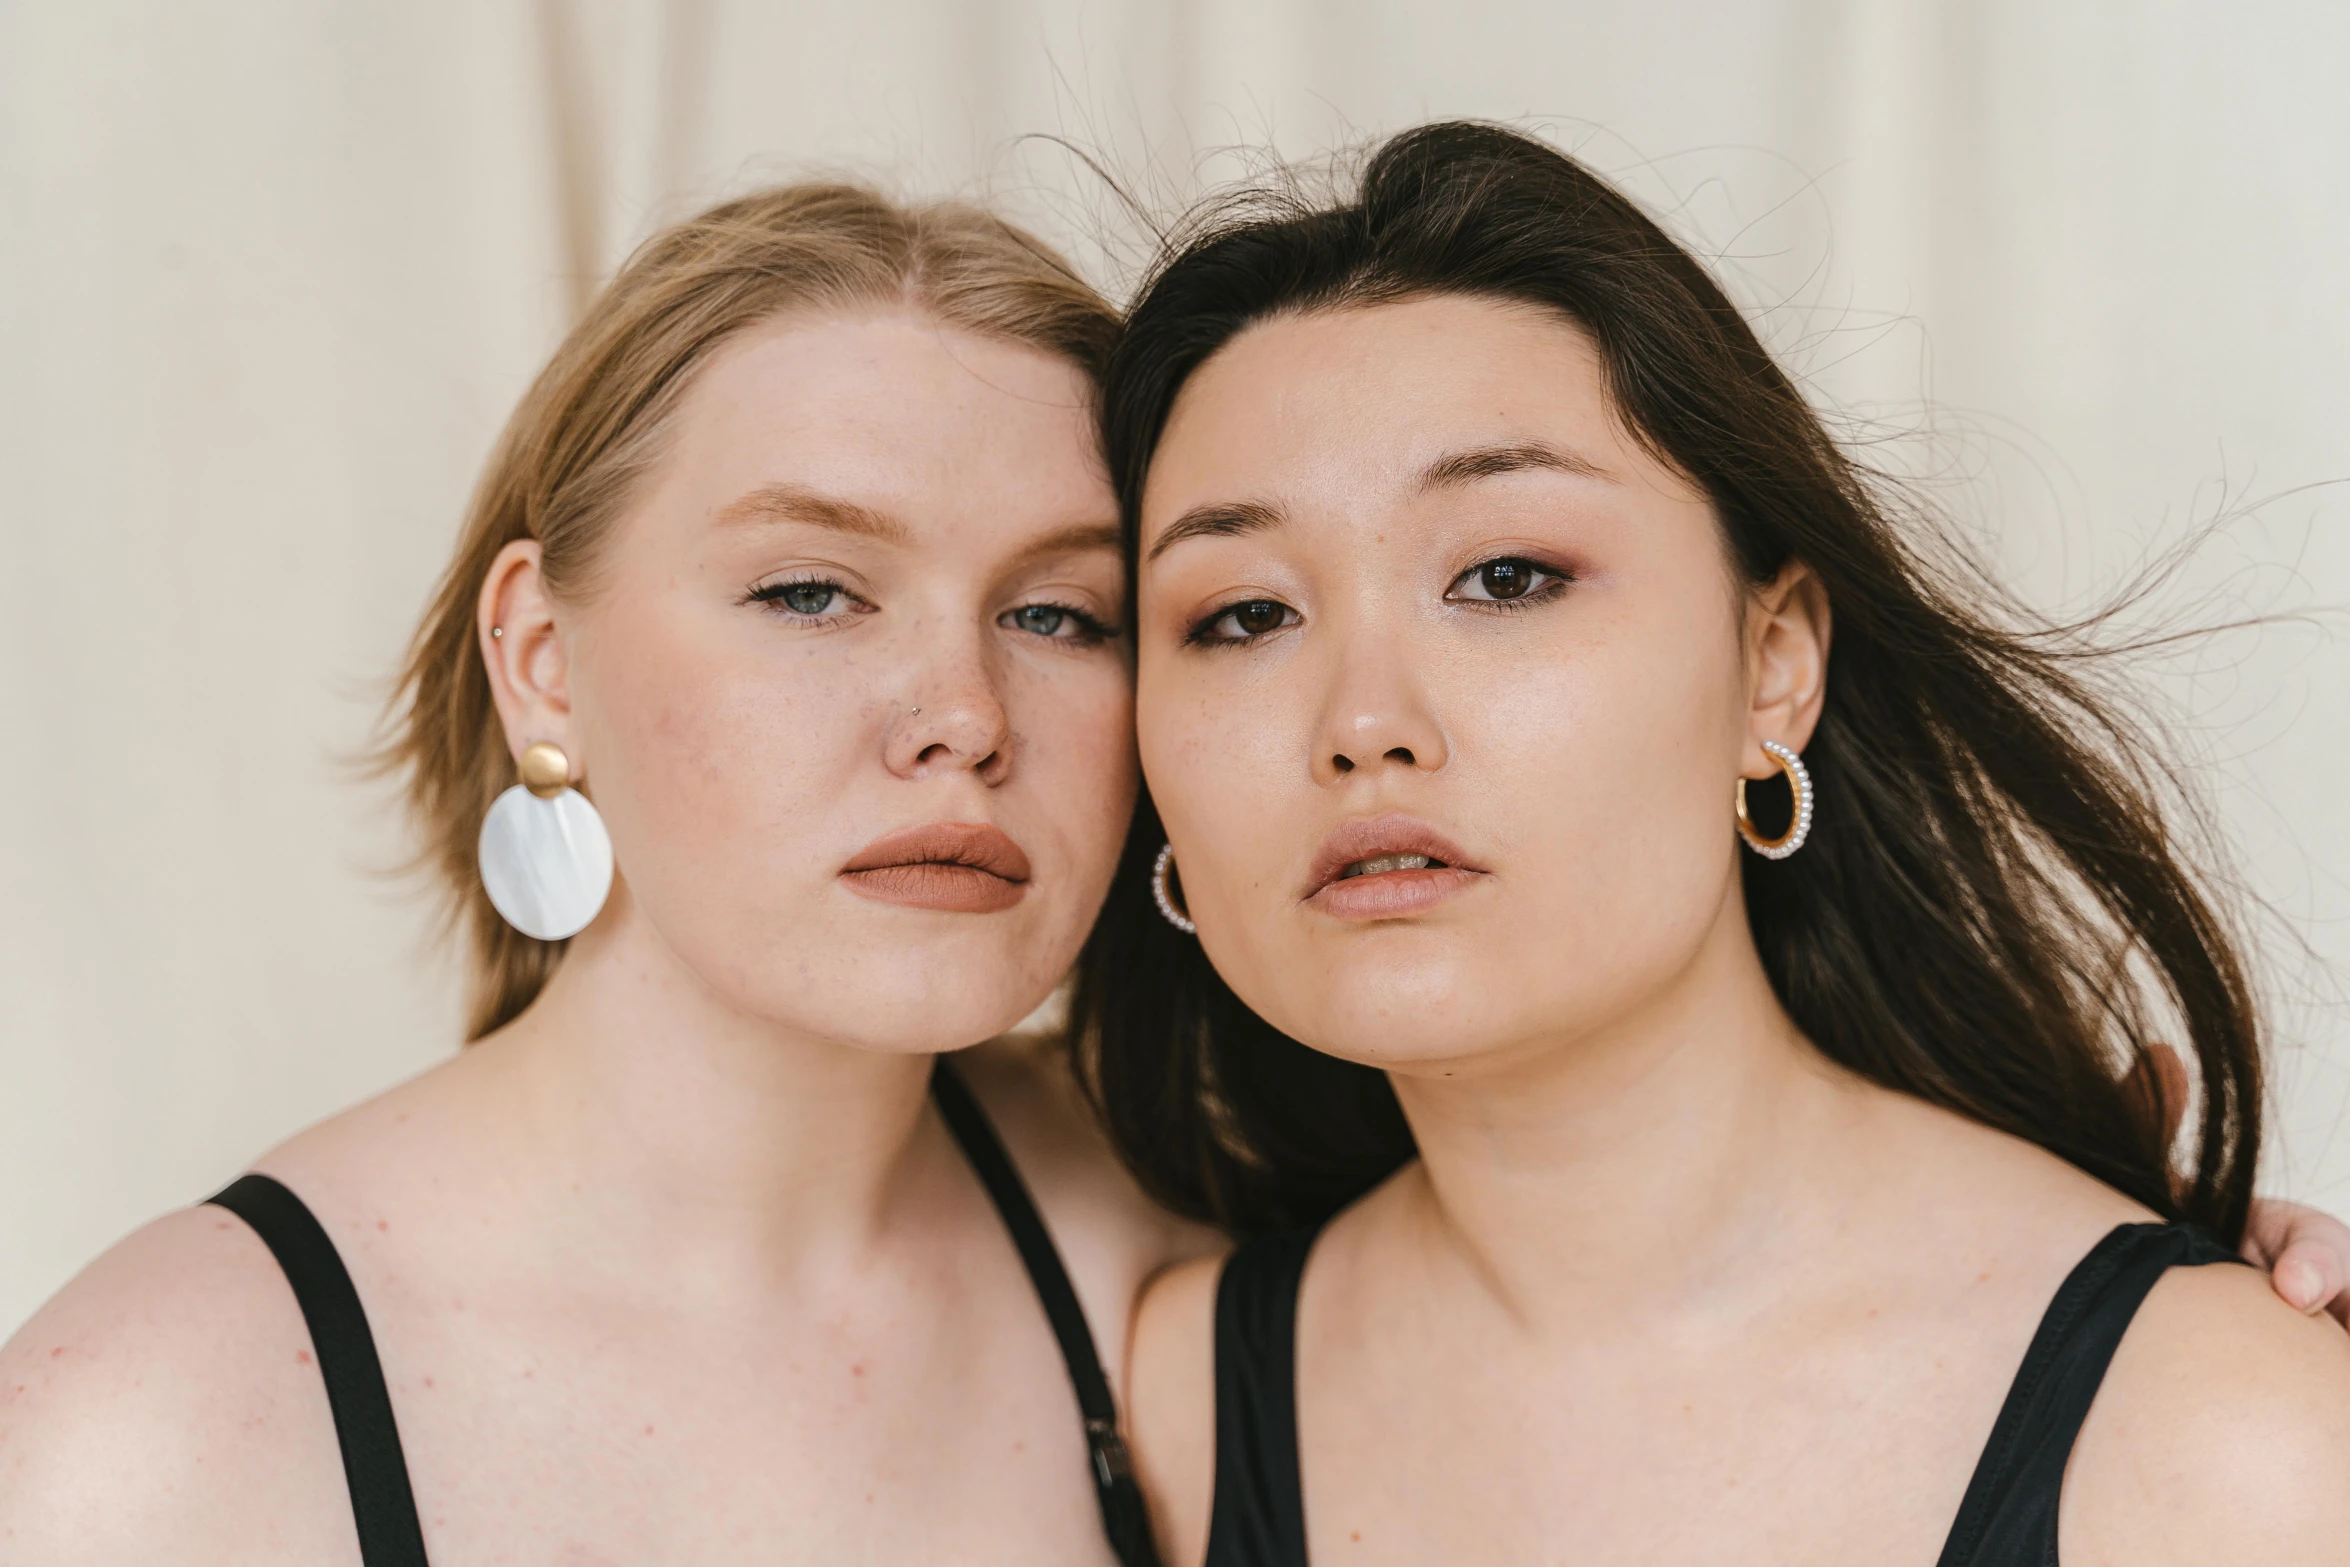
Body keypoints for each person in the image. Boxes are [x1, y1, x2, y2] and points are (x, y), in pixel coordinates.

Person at [1078, 122, 2350, 1565]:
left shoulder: (2216, 1438)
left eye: (1505, 575)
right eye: (1240, 615)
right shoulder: (1171, 1403)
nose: (1363, 721)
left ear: (1771, 666)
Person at [0, 184, 1208, 1564]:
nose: (967, 714)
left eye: (1059, 613)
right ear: (540, 662)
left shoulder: (1150, 1239)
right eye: (810, 591)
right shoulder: (141, 1435)